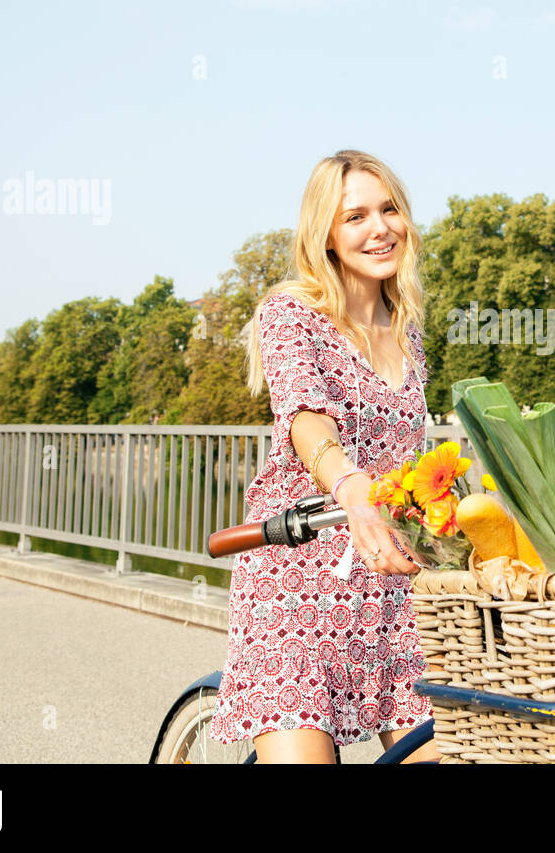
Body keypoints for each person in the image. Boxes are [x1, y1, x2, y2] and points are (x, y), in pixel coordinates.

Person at [208, 149, 440, 763]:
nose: (379, 228)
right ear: (328, 237)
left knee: (447, 752)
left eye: (388, 210)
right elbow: (308, 421)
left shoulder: (408, 329)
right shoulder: (291, 315)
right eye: (355, 217)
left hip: (390, 588)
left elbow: (409, 458)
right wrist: (350, 486)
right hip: (297, 588)